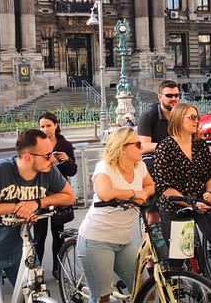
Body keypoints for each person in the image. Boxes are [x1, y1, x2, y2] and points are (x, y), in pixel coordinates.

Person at [0, 129, 76, 302]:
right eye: (47, 155)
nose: (52, 159)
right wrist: (16, 207)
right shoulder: (0, 170)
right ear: (28, 157)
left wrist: (37, 203)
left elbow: (69, 196)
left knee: (35, 294)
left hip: (21, 250)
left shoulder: (47, 171)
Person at [77, 127, 155, 303]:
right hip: (97, 240)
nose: (142, 147)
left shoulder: (139, 166)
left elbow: (150, 186)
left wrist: (144, 193)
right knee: (102, 297)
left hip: (123, 241)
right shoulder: (105, 168)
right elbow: (105, 193)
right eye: (137, 144)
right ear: (123, 149)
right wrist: (135, 194)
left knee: (145, 291)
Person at [154, 102, 211, 264]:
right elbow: (165, 187)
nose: (196, 121)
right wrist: (190, 202)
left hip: (200, 202)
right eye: (192, 117)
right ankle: (179, 284)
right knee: (179, 256)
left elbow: (210, 174)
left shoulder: (200, 145)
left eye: (197, 117)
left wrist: (209, 192)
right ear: (178, 119)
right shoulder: (165, 147)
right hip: (175, 206)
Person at [33, 112, 77, 279]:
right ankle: (36, 270)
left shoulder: (64, 144)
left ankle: (58, 270)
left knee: (58, 234)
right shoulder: (35, 144)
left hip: (59, 195)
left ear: (56, 125)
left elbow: (72, 171)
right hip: (40, 194)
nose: (45, 129)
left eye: (48, 125)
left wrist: (67, 160)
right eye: (42, 126)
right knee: (39, 236)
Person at [138, 79, 180, 176]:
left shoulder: (182, 115)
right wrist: (169, 147)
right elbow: (143, 146)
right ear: (160, 96)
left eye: (176, 95)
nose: (174, 98)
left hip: (179, 160)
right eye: (169, 95)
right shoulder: (148, 116)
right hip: (155, 160)